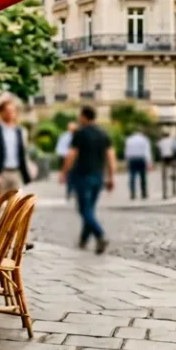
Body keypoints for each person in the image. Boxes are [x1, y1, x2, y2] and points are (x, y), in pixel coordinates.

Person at [60, 105, 115, 254]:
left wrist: (64, 172)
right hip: (98, 177)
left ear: (84, 117)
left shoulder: (80, 133)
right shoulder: (103, 134)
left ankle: (100, 234)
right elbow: (110, 157)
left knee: (84, 209)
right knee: (89, 209)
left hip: (82, 176)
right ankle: (83, 240)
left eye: (80, 116)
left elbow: (71, 154)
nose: (79, 119)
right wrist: (111, 177)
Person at [0, 96, 31, 201]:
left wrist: (26, 172)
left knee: (15, 207)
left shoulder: (19, 131)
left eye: (13, 111)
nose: (10, 113)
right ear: (1, 112)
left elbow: (22, 153)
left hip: (16, 173)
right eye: (7, 111)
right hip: (1, 173)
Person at [124, 127, 152, 200]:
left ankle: (132, 194)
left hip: (132, 159)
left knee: (132, 177)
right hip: (141, 159)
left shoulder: (129, 139)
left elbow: (127, 151)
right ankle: (144, 193)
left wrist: (126, 161)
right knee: (143, 177)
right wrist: (149, 162)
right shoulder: (144, 139)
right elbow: (147, 152)